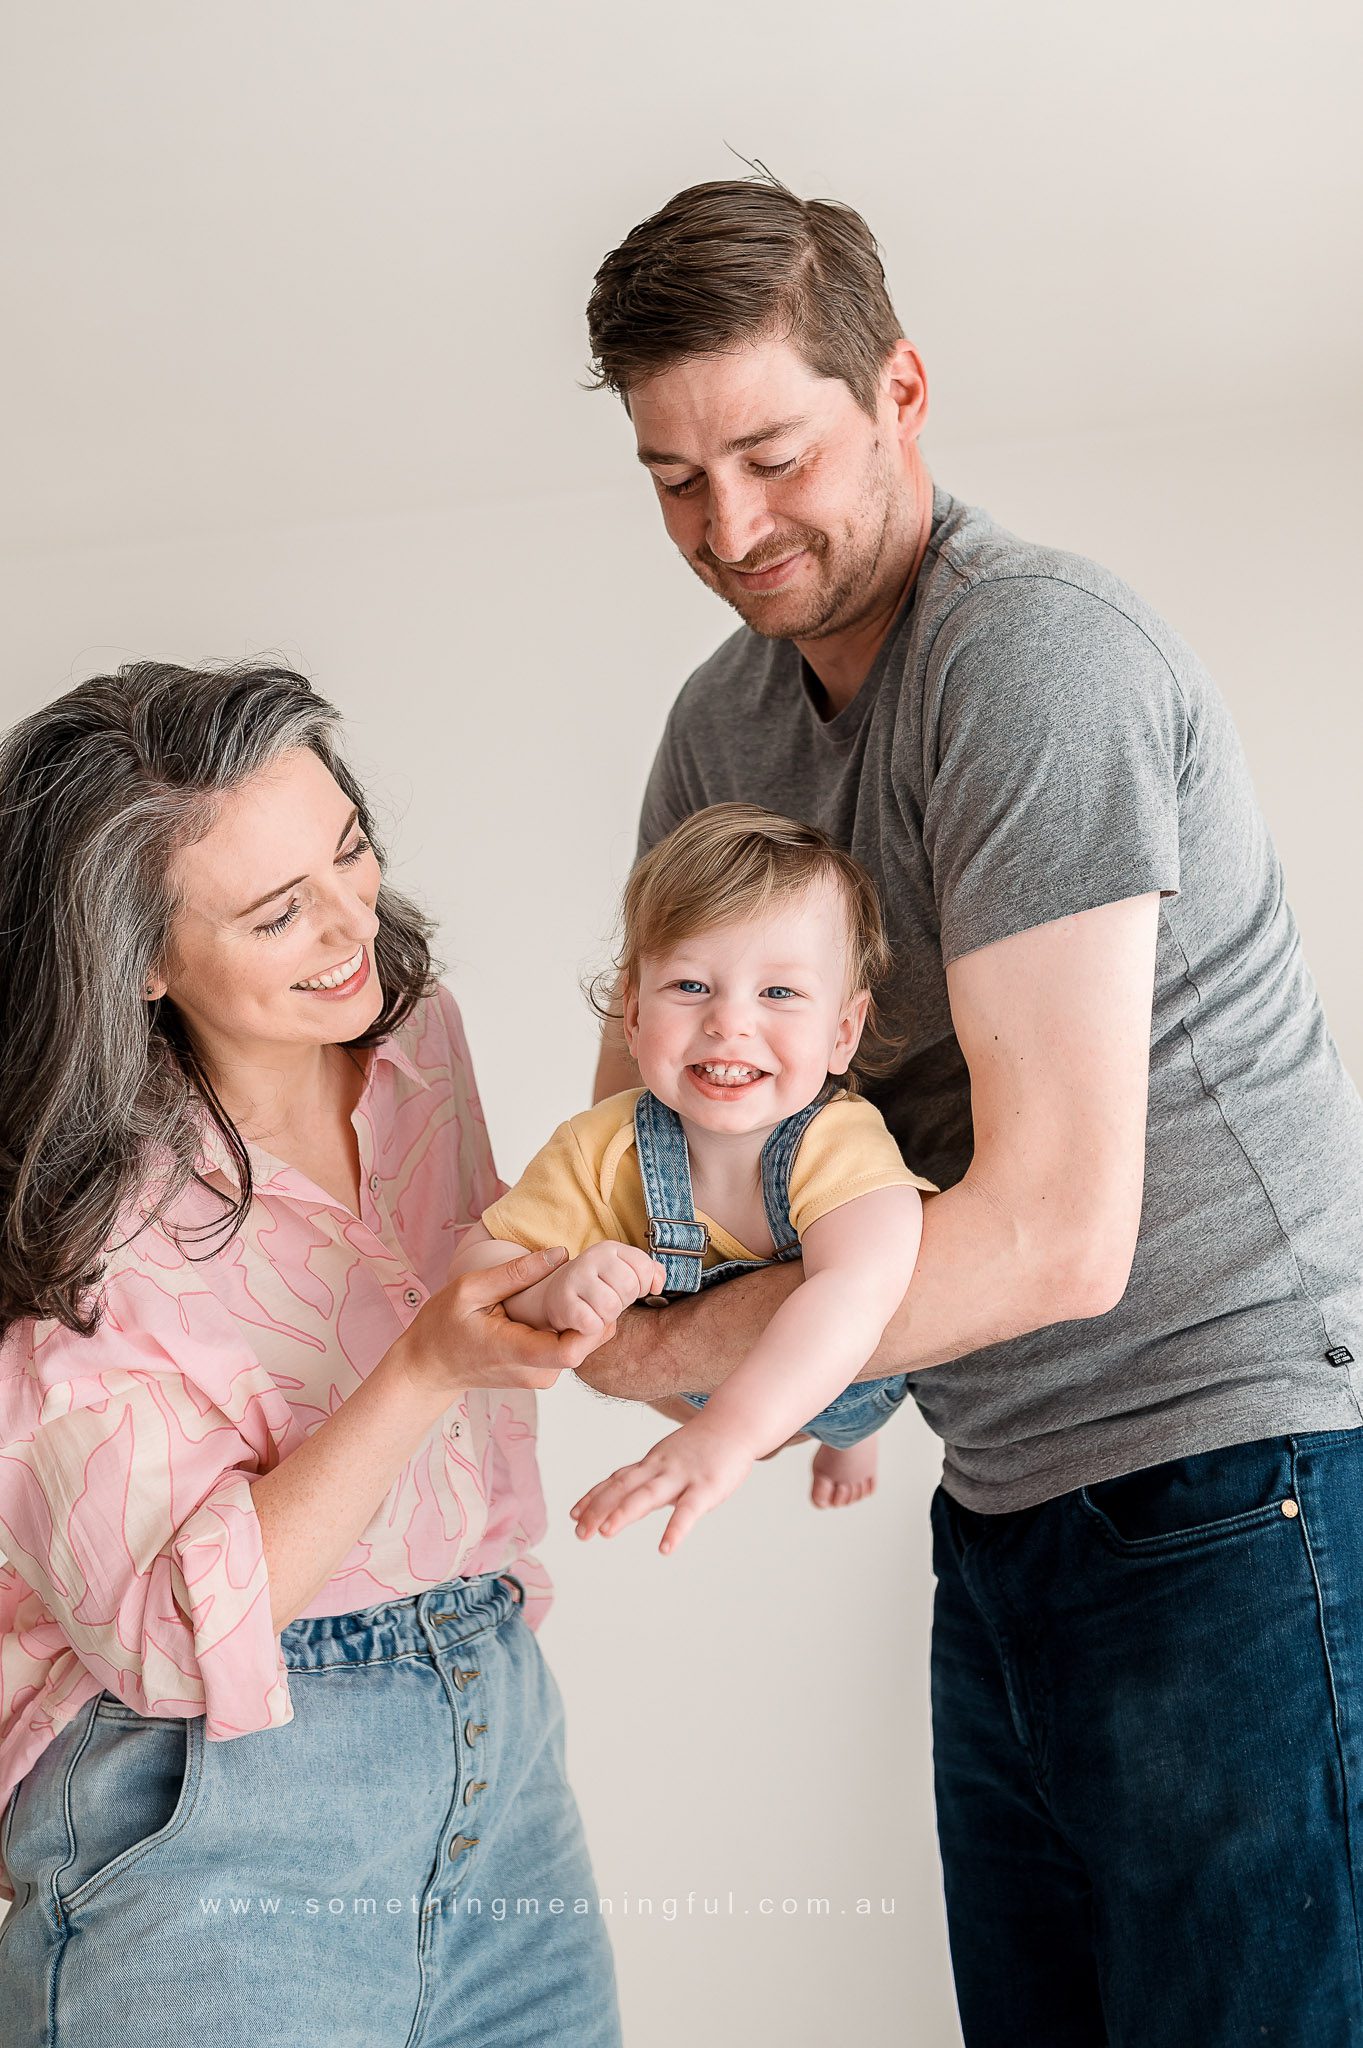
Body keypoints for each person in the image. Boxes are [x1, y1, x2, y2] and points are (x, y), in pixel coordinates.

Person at [572, 176, 1363, 2044]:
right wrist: (607, 1282)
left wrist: (678, 1350)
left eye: (769, 454)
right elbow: (640, 1143)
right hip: (1001, 1496)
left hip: (1232, 1477)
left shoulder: (1031, 656)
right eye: (675, 479)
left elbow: (1053, 1229)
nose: (729, 526)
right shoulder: (720, 730)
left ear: (901, 391)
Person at [0, 660, 621, 2048]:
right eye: (278, 914)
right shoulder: (75, 1218)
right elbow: (169, 1641)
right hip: (210, 1801)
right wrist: (422, 1371)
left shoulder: (414, 1035)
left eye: (349, 851)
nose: (353, 929)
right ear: (141, 960)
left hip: (494, 1730)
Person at [452, 804, 935, 1551]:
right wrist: (550, 1288)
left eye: (778, 993)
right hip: (696, 1394)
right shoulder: (597, 1150)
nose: (728, 1023)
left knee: (851, 1395)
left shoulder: (836, 1140)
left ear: (843, 1032)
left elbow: (854, 1290)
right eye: (689, 986)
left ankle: (848, 1440)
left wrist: (727, 1434)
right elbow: (478, 1265)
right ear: (634, 1014)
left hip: (852, 1381)